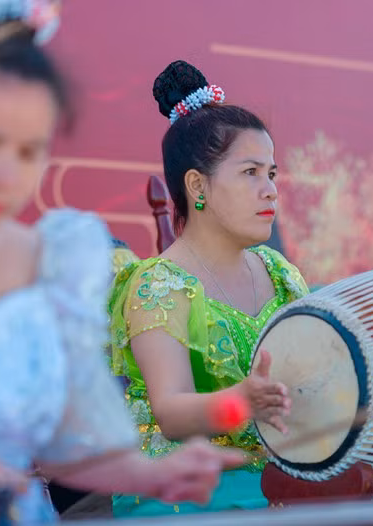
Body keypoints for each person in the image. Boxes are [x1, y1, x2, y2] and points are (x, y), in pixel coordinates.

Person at [0, 3, 243, 525]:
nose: (5, 174)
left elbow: (66, 444)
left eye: (29, 150)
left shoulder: (43, 262)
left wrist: (149, 475)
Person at [109, 60, 309, 516]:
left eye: (272, 174)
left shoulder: (281, 273)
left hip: (282, 483)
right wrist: (242, 400)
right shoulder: (157, 284)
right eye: (250, 173)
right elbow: (172, 412)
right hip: (189, 493)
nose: (270, 191)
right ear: (197, 186)